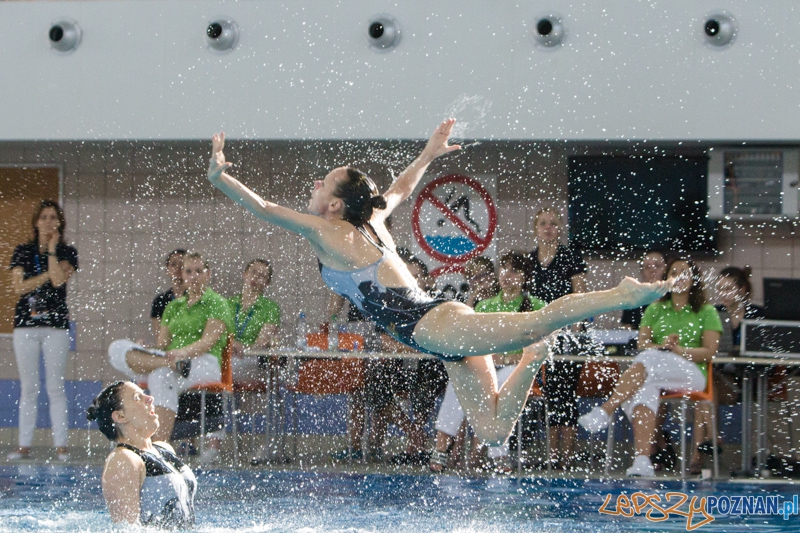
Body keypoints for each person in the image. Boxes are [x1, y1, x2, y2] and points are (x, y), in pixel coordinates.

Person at [207, 118, 669, 447]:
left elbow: (264, 209)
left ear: (334, 207)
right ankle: (533, 359)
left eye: (322, 184)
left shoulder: (333, 231)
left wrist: (221, 178)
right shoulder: (372, 222)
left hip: (437, 324)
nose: (314, 184)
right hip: (437, 336)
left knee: (536, 320)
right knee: (491, 431)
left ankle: (622, 293)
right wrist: (428, 153)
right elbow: (401, 189)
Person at [579, 258, 722, 476]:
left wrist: (678, 350)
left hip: (693, 372)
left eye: (684, 272)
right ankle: (643, 460)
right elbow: (642, 343)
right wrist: (663, 346)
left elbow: (710, 351)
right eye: (674, 272)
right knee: (645, 385)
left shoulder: (706, 310)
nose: (679, 276)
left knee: (648, 359)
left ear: (694, 280)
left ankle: (606, 409)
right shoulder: (656, 308)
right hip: (657, 367)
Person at [430, 252, 546, 473]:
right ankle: (442, 445)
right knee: (456, 382)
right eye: (503, 269)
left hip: (519, 370)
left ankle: (497, 453)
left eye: (514, 270)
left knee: (498, 385)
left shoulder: (537, 305)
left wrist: (519, 356)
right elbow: (472, 344)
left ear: (525, 277)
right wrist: (491, 357)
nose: (507, 275)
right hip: (489, 366)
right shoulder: (485, 306)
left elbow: (546, 344)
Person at [107, 251, 234, 443]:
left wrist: (180, 354)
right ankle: (167, 364)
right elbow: (162, 344)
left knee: (161, 374)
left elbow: (207, 342)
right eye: (189, 271)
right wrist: (146, 348)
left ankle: (159, 446)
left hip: (204, 362)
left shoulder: (218, 303)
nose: (194, 277)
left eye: (199, 271)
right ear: (182, 275)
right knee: (116, 348)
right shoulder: (173, 306)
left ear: (208, 275)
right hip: (171, 360)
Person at [7, 200, 78, 462]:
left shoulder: (67, 252)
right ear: (36, 222)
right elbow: (19, 288)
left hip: (56, 328)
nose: (48, 222)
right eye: (44, 217)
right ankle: (24, 445)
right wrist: (47, 274)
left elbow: (59, 279)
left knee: (55, 387)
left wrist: (50, 250)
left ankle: (61, 446)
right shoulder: (22, 251)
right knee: (29, 388)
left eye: (53, 218)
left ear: (60, 223)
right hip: (26, 327)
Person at [524, 207, 587, 469]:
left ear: (559, 229)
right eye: (543, 223)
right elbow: (525, 301)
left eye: (553, 223)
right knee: (550, 394)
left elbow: (580, 295)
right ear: (535, 229)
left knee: (565, 392)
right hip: (541, 334)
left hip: (567, 334)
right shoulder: (529, 259)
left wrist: (575, 327)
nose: (548, 228)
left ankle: (567, 454)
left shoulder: (570, 256)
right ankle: (552, 455)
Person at [87, 381, 196, 528]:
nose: (149, 398)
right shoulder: (123, 459)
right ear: (120, 416)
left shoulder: (164, 449)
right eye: (138, 398)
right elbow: (126, 529)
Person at [621, 250, 668, 330]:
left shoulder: (675, 296)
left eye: (657, 266)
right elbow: (627, 331)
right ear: (642, 272)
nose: (652, 270)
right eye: (647, 267)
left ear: (667, 269)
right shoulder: (633, 298)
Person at [150, 249, 187, 339]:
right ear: (167, 269)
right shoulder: (160, 301)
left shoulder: (197, 297)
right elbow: (159, 337)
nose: (178, 268)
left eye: (182, 264)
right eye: (173, 264)